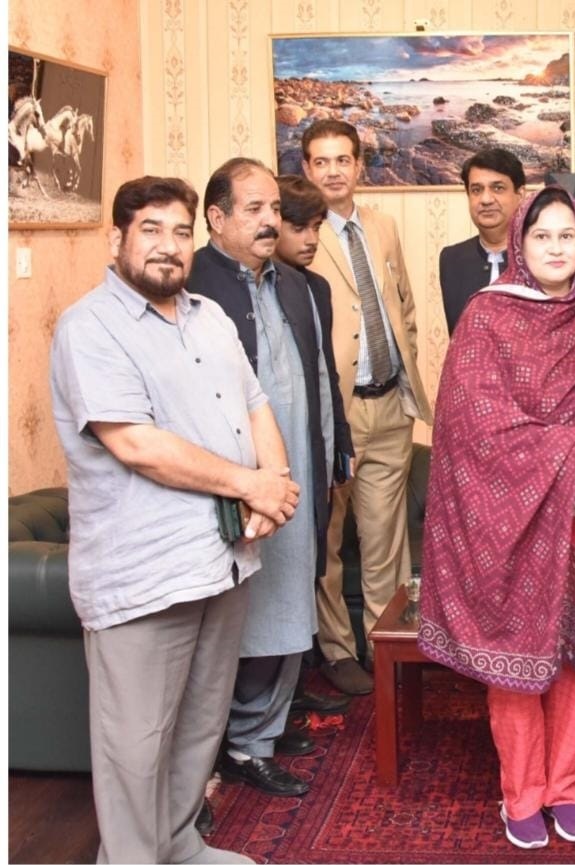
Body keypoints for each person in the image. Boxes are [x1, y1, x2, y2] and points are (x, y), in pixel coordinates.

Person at [49, 175, 300, 863]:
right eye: (151, 230)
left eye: (180, 231)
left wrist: (275, 484)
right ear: (116, 239)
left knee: (199, 725)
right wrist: (251, 483)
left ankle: (179, 845)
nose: (168, 245)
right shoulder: (88, 328)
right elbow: (137, 445)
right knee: (135, 744)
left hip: (220, 561)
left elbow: (255, 403)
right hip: (144, 571)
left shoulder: (208, 315)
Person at [416, 186, 575, 850]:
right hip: (517, 516)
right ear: (519, 245)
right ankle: (522, 793)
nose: (556, 248)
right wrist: (570, 450)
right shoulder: (487, 317)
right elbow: (473, 423)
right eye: (541, 236)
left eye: (567, 236)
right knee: (518, 653)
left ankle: (565, 787)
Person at [186, 158, 346, 797]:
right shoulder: (191, 286)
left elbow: (320, 379)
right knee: (241, 615)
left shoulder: (297, 285)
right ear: (217, 218)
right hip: (232, 483)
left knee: (290, 600)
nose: (270, 221)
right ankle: (229, 744)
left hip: (298, 469)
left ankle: (258, 735)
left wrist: (334, 454)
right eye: (254, 209)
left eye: (274, 208)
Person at [302, 119, 432, 696]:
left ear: (359, 165)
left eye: (342, 160)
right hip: (334, 413)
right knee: (327, 541)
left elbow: (403, 308)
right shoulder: (300, 232)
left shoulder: (382, 226)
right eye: (321, 161)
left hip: (388, 407)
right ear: (307, 168)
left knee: (384, 543)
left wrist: (404, 376)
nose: (333, 171)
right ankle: (337, 650)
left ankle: (387, 650)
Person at [273, 173, 358, 720]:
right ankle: (276, 699)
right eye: (298, 227)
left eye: (316, 228)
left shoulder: (316, 288)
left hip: (319, 446)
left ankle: (292, 689)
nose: (310, 239)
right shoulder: (245, 286)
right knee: (281, 571)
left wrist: (340, 443)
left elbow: (326, 374)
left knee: (307, 564)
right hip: (273, 455)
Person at [439, 147, 526, 334]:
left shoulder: (542, 257)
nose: (486, 199)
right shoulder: (452, 259)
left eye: (498, 188)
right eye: (476, 190)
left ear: (520, 195)